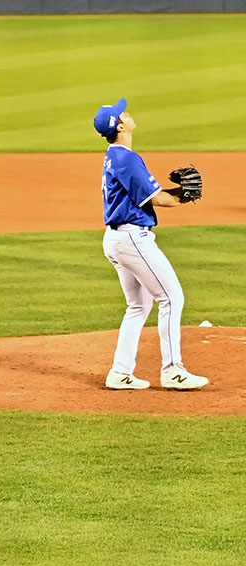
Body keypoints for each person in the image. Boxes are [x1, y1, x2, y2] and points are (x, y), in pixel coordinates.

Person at [96, 98, 208, 391]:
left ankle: (120, 373)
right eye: (123, 114)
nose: (128, 114)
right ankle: (173, 370)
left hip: (117, 238)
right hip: (133, 239)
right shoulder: (127, 158)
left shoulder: (113, 156)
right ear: (119, 126)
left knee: (138, 305)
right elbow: (158, 199)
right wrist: (185, 196)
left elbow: (147, 194)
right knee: (172, 299)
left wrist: (178, 193)